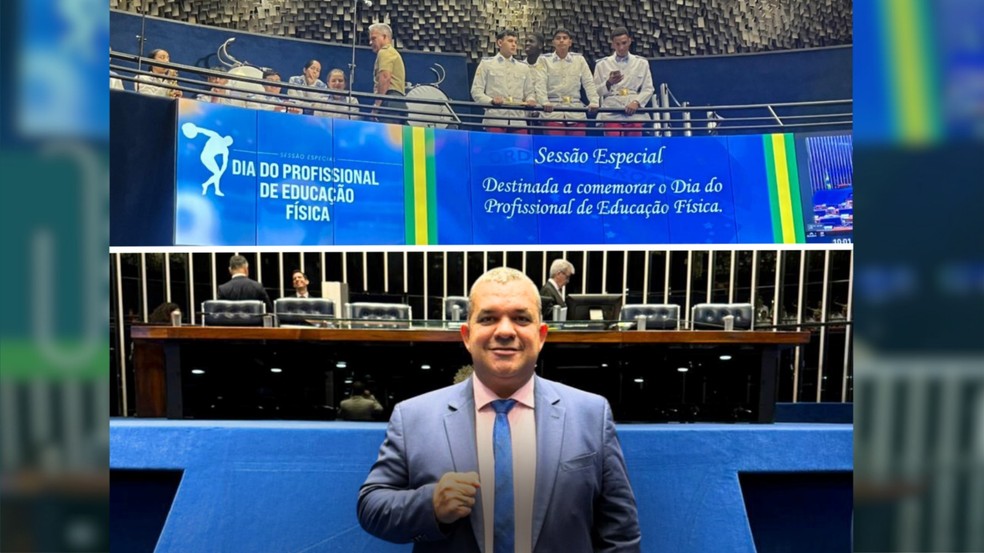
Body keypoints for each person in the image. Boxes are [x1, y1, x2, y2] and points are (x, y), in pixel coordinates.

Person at [358, 267, 640, 552]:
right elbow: (371, 505)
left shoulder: (591, 414)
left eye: (521, 318)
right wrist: (431, 505)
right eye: (488, 318)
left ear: (541, 335)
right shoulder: (413, 417)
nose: (505, 331)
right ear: (467, 336)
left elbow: (620, 534)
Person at [535, 29, 600, 136]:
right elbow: (540, 83)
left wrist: (594, 101)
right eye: (558, 38)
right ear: (553, 42)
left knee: (577, 145)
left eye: (564, 38)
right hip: (552, 111)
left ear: (570, 42)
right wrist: (544, 102)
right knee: (554, 144)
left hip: (576, 111)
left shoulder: (579, 59)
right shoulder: (544, 60)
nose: (561, 40)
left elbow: (588, 82)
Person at [471, 29, 538, 133]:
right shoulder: (486, 64)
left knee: (521, 144)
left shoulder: (523, 68)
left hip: (518, 120)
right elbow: (476, 91)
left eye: (515, 42)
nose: (514, 45)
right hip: (495, 119)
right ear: (500, 43)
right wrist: (490, 101)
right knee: (496, 144)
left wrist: (531, 99)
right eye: (510, 41)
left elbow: (530, 92)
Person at [593, 27, 654, 137]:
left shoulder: (641, 63)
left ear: (630, 41)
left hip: (634, 112)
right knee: (612, 144)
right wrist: (608, 83)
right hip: (611, 110)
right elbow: (595, 91)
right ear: (612, 44)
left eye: (624, 43)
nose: (621, 47)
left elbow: (648, 88)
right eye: (617, 44)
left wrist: (637, 102)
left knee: (635, 144)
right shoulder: (601, 64)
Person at [369, 23, 407, 125]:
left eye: (373, 38)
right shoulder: (394, 53)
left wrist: (377, 105)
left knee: (385, 133)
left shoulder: (384, 52)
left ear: (384, 37)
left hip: (389, 102)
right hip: (398, 102)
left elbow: (385, 77)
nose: (370, 42)